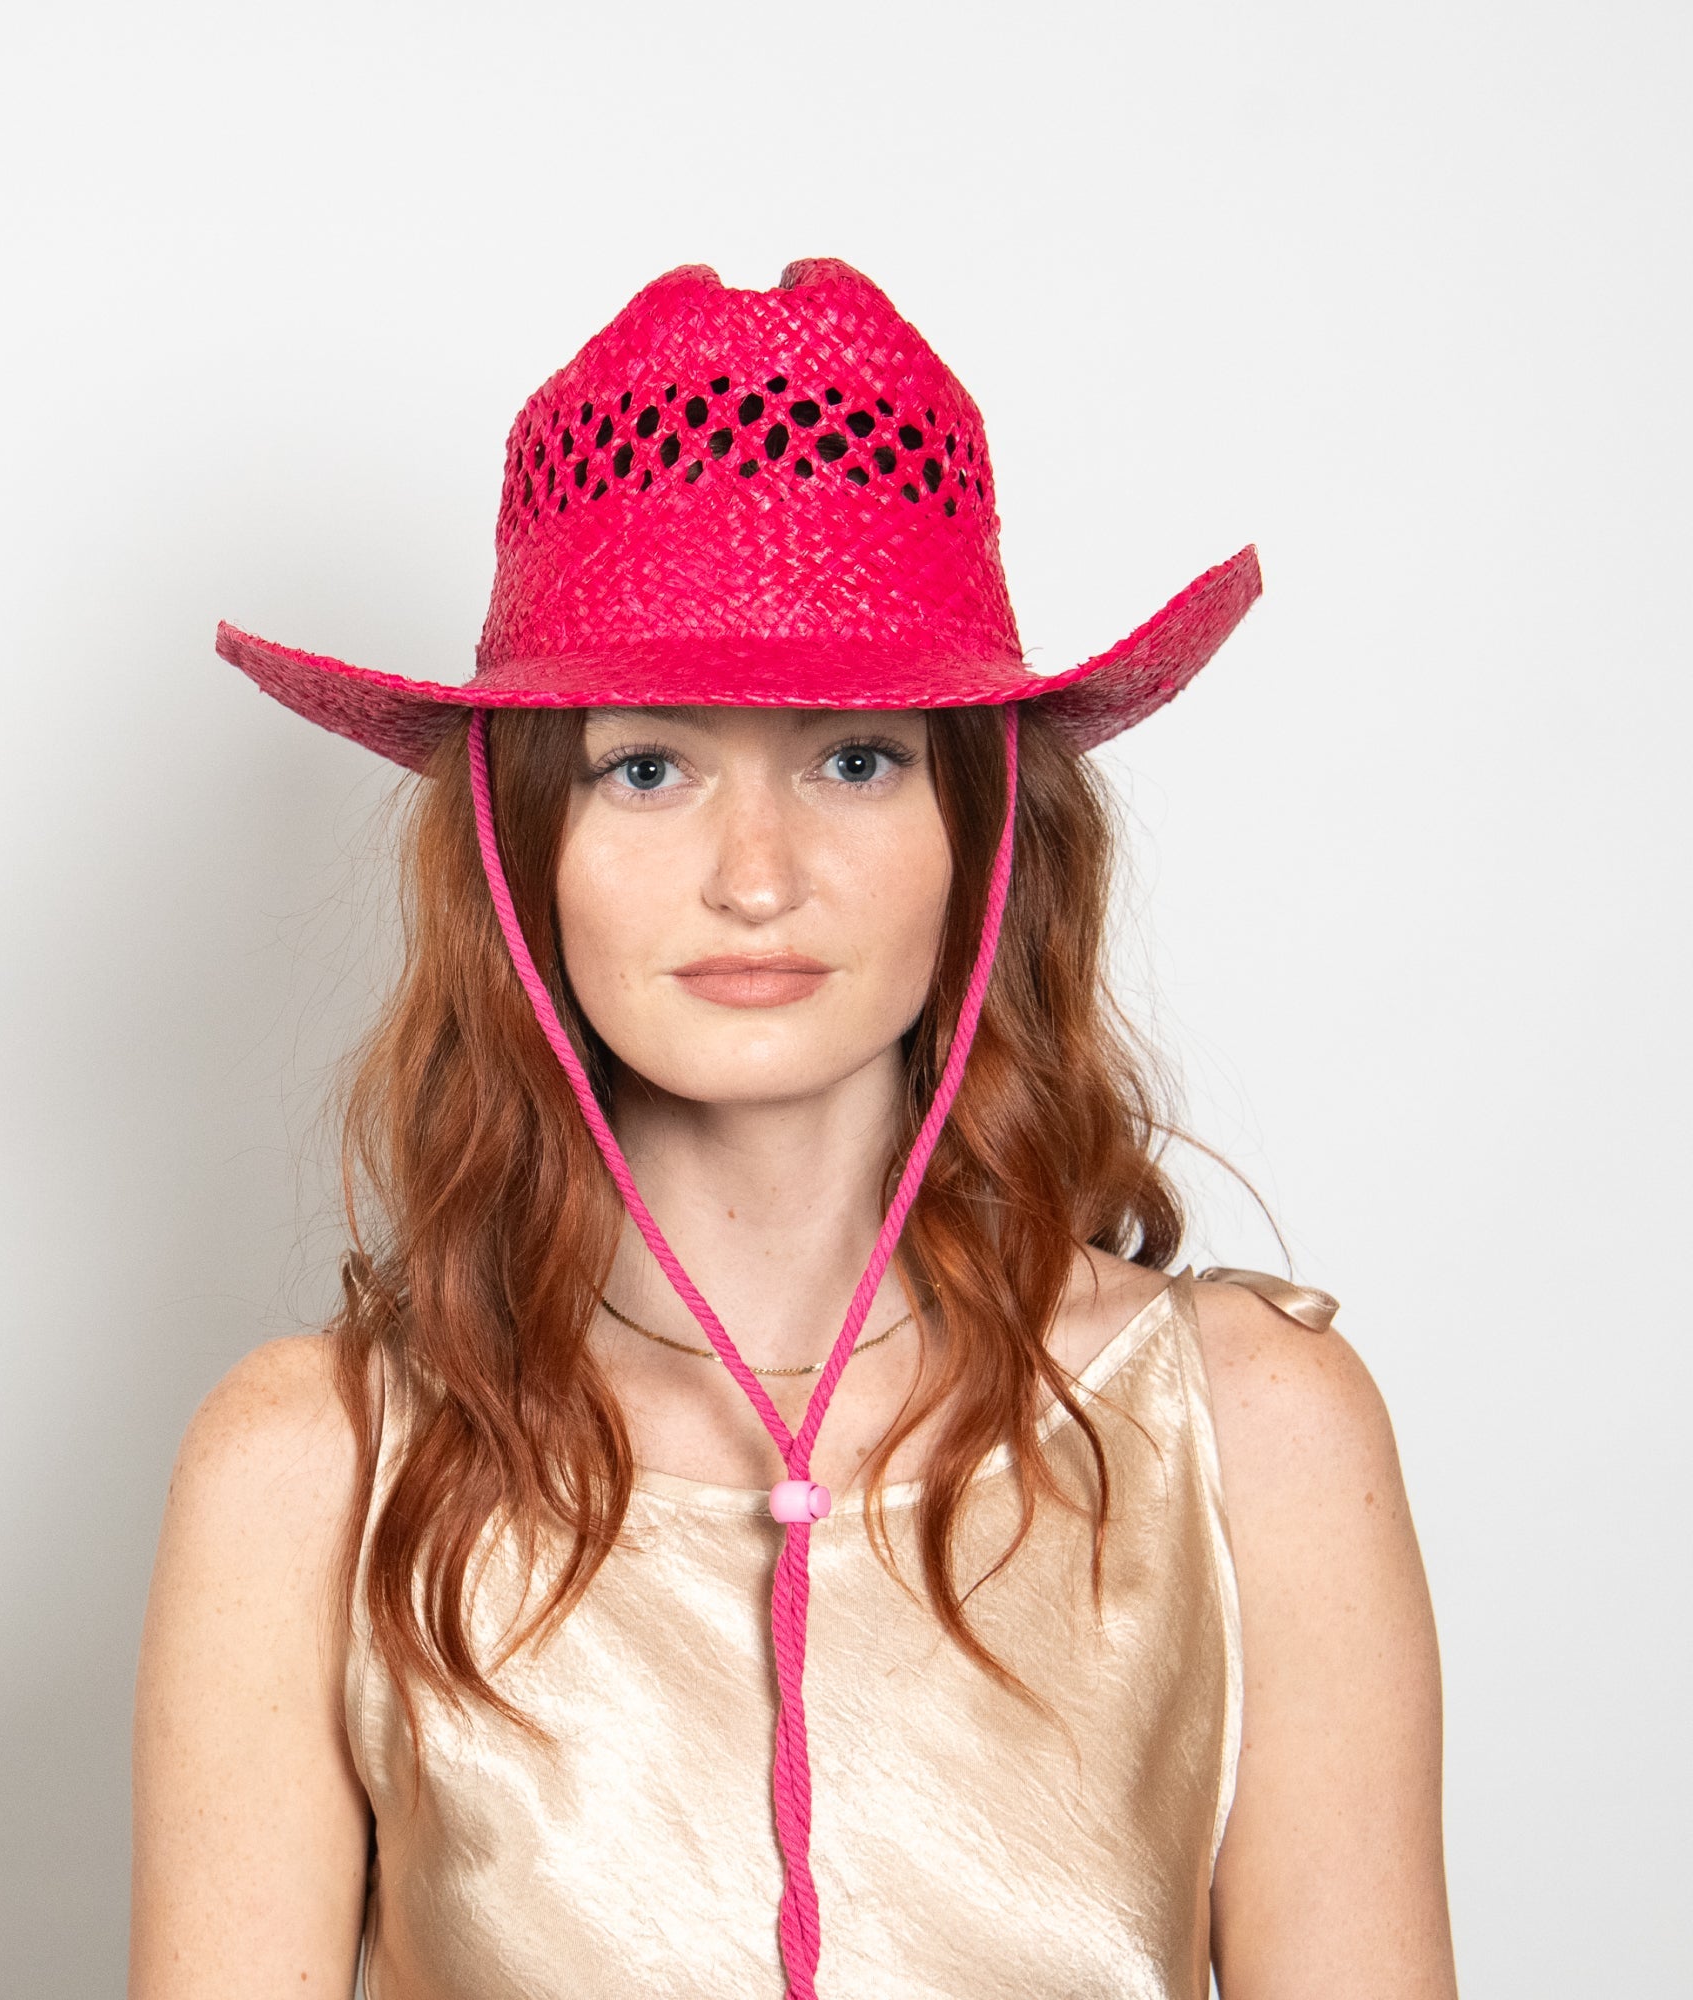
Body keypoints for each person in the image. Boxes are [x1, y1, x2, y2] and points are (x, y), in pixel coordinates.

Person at [130, 261, 1455, 2000]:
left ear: (985, 833)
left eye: (853, 760)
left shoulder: (1254, 1437)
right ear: (522, 852)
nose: (756, 880)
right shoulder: (317, 1472)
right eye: (645, 767)